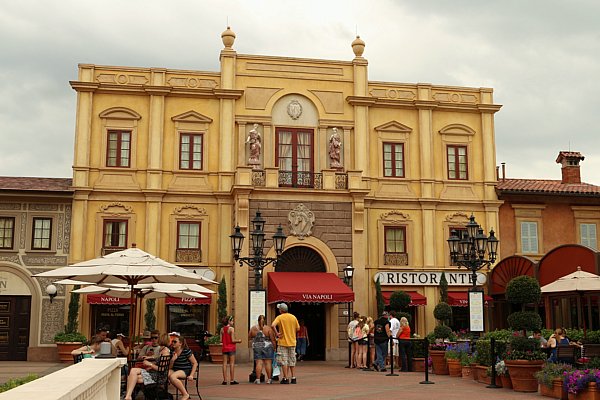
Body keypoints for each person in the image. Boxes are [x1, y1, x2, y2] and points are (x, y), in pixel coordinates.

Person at [124, 333, 171, 400]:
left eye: (157, 338)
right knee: (133, 373)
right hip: (154, 373)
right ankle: (128, 396)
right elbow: (159, 362)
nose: (154, 340)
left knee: (132, 376)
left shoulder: (165, 352)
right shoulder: (163, 350)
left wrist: (150, 364)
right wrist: (150, 358)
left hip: (158, 376)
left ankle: (128, 396)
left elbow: (162, 369)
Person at [272, 303, 300, 384]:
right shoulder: (293, 317)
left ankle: (285, 378)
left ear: (281, 310)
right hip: (292, 341)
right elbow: (298, 328)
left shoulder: (279, 317)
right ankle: (293, 377)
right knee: (292, 360)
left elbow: (273, 325)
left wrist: (277, 333)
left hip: (283, 342)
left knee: (284, 361)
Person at [249, 314, 276, 384]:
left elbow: (249, 337)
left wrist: (254, 342)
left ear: (258, 320)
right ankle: (269, 379)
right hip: (268, 347)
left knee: (259, 363)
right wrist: (275, 347)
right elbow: (272, 339)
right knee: (268, 363)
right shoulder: (268, 329)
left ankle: (258, 379)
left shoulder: (253, 328)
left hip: (257, 347)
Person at [221, 316, 242, 385]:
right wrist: (239, 341)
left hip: (224, 347)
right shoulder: (231, 329)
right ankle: (232, 380)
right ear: (229, 321)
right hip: (231, 348)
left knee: (224, 364)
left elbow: (221, 340)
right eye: (232, 321)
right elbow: (233, 340)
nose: (233, 322)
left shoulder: (222, 329)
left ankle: (224, 380)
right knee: (231, 364)